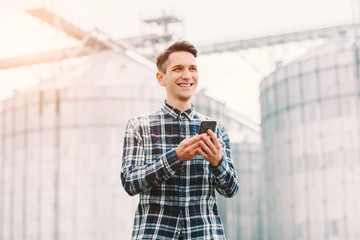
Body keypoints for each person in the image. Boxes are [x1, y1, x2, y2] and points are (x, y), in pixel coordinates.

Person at [121, 40, 239, 240]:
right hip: (155, 233)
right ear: (161, 78)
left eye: (192, 68)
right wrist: (175, 157)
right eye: (178, 69)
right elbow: (130, 182)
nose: (187, 75)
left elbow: (231, 189)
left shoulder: (217, 130)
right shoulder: (139, 126)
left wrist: (217, 162)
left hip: (205, 234)